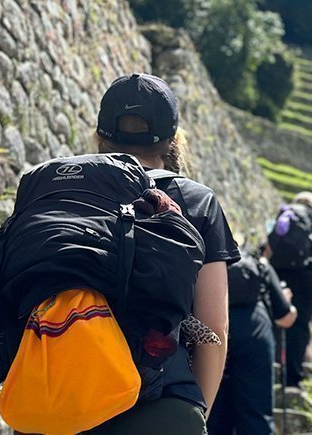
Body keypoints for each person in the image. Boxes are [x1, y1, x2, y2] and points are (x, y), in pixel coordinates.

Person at [86, 74, 240, 434]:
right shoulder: (197, 202)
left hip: (61, 398)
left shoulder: (63, 188)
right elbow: (214, 326)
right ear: (173, 140)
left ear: (100, 135)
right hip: (162, 401)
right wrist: (193, 410)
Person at [207, 251, 297, 435]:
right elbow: (286, 318)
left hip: (214, 336)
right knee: (256, 416)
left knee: (214, 413)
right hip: (256, 336)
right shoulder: (260, 265)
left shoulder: (209, 263)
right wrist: (287, 301)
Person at [263, 191, 312, 387]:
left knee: (273, 320)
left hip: (278, 275)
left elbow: (268, 249)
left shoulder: (282, 222)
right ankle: (293, 378)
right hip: (306, 280)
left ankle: (270, 369)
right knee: (300, 326)